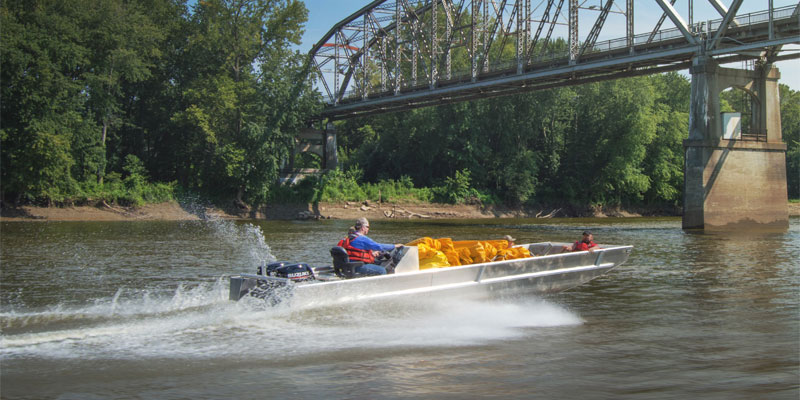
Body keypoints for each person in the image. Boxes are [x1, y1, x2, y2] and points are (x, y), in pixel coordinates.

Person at [337, 217, 402, 275]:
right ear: (363, 228)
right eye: (368, 227)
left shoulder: (349, 237)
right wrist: (394, 246)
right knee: (382, 270)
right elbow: (379, 246)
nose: (368, 229)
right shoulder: (362, 239)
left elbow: (356, 251)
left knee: (376, 264)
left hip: (348, 265)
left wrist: (372, 254)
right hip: (357, 266)